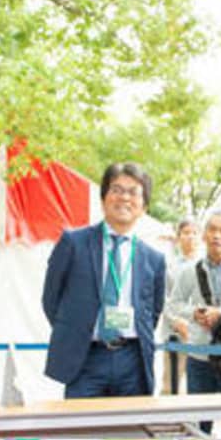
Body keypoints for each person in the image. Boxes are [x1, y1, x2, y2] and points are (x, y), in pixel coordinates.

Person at [42, 163, 168, 399]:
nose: (124, 198)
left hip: (133, 360)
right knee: (80, 431)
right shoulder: (73, 243)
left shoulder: (154, 259)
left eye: (133, 192)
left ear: (144, 206)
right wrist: (76, 331)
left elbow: (153, 312)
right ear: (103, 199)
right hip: (85, 358)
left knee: (129, 434)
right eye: (117, 190)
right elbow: (51, 299)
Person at [163, 207, 221, 411]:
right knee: (197, 421)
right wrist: (194, 313)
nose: (217, 236)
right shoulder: (190, 269)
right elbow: (174, 303)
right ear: (204, 234)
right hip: (199, 354)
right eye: (212, 229)